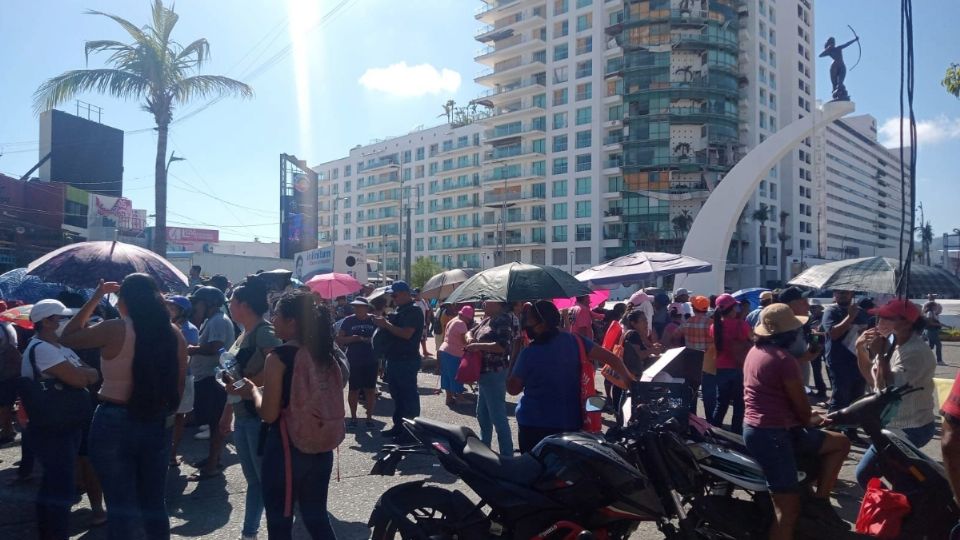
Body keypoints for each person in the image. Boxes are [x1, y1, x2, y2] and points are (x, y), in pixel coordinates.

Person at [60, 275, 187, 540]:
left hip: (113, 419)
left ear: (125, 300)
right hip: (157, 418)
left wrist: (96, 296)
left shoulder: (115, 328)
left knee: (120, 506)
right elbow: (179, 383)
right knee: (154, 501)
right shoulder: (172, 332)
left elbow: (67, 336)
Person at [229, 291, 340, 539]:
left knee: (279, 522)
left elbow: (269, 414)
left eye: (277, 315)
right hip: (321, 445)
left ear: (292, 322)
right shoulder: (324, 353)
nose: (273, 320)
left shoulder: (278, 358)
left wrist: (253, 392)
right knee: (316, 516)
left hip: (286, 449)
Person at [742, 304, 851, 540]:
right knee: (787, 509)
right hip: (773, 435)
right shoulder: (783, 360)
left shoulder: (756, 351)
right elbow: (801, 409)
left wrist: (808, 418)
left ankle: (819, 501)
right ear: (790, 334)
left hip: (760, 428)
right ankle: (815, 502)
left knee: (840, 443)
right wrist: (813, 418)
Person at [508, 301, 634, 453]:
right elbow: (613, 359)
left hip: (534, 424)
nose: (525, 324)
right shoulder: (576, 341)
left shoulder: (528, 353)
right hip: (570, 424)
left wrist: (514, 354)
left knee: (535, 473)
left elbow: (513, 389)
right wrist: (633, 386)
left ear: (542, 324)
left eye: (529, 320)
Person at [21, 299, 100, 540]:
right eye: (62, 318)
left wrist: (82, 374)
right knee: (60, 486)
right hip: (53, 428)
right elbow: (79, 378)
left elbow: (92, 373)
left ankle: (51, 531)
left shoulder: (59, 347)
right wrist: (82, 375)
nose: (67, 322)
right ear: (46, 322)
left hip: (67, 423)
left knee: (57, 483)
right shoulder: (43, 348)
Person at [854, 299, 937, 489]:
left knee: (865, 474)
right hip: (890, 425)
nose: (880, 322)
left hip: (911, 426)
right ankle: (899, 506)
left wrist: (880, 354)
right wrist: (860, 350)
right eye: (879, 316)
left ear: (907, 323)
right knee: (894, 477)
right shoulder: (892, 343)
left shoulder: (915, 351)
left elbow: (888, 388)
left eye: (887, 318)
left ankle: (903, 507)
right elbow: (871, 379)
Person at [223, 278, 282, 540]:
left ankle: (277, 532)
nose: (229, 306)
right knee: (255, 482)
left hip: (259, 416)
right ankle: (249, 533)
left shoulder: (264, 331)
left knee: (266, 482)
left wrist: (250, 385)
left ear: (243, 304)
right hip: (243, 415)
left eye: (232, 302)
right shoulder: (244, 332)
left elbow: (281, 365)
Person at [187, 286, 235, 478]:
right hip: (207, 378)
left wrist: (193, 349)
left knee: (215, 424)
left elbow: (216, 347)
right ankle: (212, 458)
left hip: (213, 379)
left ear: (210, 304)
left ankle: (213, 464)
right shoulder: (212, 320)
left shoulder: (218, 321)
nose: (195, 307)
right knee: (212, 422)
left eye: (198, 303)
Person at [372, 281, 423, 440]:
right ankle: (399, 427)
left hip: (406, 360)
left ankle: (410, 432)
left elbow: (407, 334)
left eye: (394, 295)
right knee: (398, 396)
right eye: (391, 296)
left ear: (405, 294)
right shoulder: (400, 310)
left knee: (408, 397)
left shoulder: (414, 311)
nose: (392, 298)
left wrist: (385, 324)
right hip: (394, 359)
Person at [464, 300, 515, 455]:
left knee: (498, 417)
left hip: (494, 372)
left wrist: (477, 346)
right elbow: (469, 332)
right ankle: (484, 450)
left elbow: (502, 347)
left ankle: (507, 456)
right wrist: (470, 339)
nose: (484, 303)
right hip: (484, 373)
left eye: (489, 301)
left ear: (499, 304)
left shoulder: (503, 319)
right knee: (483, 415)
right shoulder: (487, 319)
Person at [821, 290, 867, 442]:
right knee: (840, 396)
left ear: (851, 294)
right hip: (839, 361)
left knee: (856, 399)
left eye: (845, 293)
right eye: (838, 293)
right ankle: (830, 431)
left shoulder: (861, 312)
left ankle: (851, 432)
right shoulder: (831, 311)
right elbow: (833, 334)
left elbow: (866, 332)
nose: (842, 295)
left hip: (859, 360)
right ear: (834, 295)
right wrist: (850, 317)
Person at [710, 293, 751, 434]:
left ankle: (714, 432)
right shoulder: (742, 325)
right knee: (739, 404)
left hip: (721, 368)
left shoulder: (714, 326)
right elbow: (751, 340)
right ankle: (736, 434)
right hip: (739, 368)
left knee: (721, 403)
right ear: (732, 309)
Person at [167, 295, 199, 469]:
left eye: (173, 308)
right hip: (166, 376)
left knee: (179, 416)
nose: (169, 310)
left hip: (183, 377)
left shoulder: (189, 329)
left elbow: (188, 354)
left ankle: (172, 453)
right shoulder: (164, 326)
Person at [336, 298, 378, 427]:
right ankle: (353, 418)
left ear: (367, 307)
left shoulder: (374, 320)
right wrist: (353, 338)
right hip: (353, 360)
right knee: (353, 390)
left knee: (370, 390)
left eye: (360, 306)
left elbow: (382, 339)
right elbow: (339, 340)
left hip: (371, 359)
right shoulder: (348, 320)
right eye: (355, 306)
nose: (357, 309)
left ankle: (369, 418)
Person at [777, 287, 823, 394]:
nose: (808, 306)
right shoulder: (779, 326)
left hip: (800, 382)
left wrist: (815, 346)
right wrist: (803, 359)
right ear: (791, 305)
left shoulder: (800, 323)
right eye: (804, 302)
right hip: (786, 386)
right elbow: (773, 361)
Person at [676, 295, 712, 416]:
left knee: (691, 391)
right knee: (708, 391)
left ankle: (691, 418)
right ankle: (710, 420)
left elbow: (674, 336)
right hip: (707, 359)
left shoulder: (687, 322)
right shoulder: (710, 323)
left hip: (690, 358)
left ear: (693, 308)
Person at [437, 305, 473, 407]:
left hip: (445, 350)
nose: (468, 321)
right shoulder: (461, 323)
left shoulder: (452, 320)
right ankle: (460, 398)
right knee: (456, 376)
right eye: (468, 318)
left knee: (447, 376)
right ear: (466, 316)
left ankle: (449, 398)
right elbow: (463, 340)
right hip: (454, 352)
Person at [819, 35, 859, 101]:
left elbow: (846, 44)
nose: (833, 44)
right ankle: (836, 94)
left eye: (833, 43)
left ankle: (841, 94)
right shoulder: (829, 51)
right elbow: (820, 55)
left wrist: (855, 40)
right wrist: (827, 49)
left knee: (840, 83)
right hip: (834, 67)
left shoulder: (838, 48)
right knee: (835, 83)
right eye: (832, 43)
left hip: (842, 66)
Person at [807, 302, 828, 399]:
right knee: (816, 369)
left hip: (825, 345)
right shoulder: (809, 318)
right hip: (814, 345)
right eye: (811, 307)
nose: (812, 309)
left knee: (829, 369)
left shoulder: (826, 316)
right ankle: (821, 390)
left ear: (820, 307)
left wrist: (819, 333)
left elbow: (830, 332)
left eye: (814, 307)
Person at [922, 293, 945, 365]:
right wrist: (940, 324)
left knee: (930, 346)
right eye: (935, 306)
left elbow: (938, 313)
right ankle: (939, 360)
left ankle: (922, 358)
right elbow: (930, 323)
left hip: (933, 330)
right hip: (931, 331)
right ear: (932, 306)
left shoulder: (932, 312)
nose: (936, 307)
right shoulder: (930, 312)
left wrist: (941, 324)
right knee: (938, 345)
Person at [411, 289, 432, 357]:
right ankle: (417, 353)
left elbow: (427, 310)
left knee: (423, 338)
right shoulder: (412, 302)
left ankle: (425, 351)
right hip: (415, 324)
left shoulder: (423, 301)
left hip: (423, 323)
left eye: (419, 294)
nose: (418, 295)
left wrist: (428, 318)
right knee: (416, 339)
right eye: (417, 294)